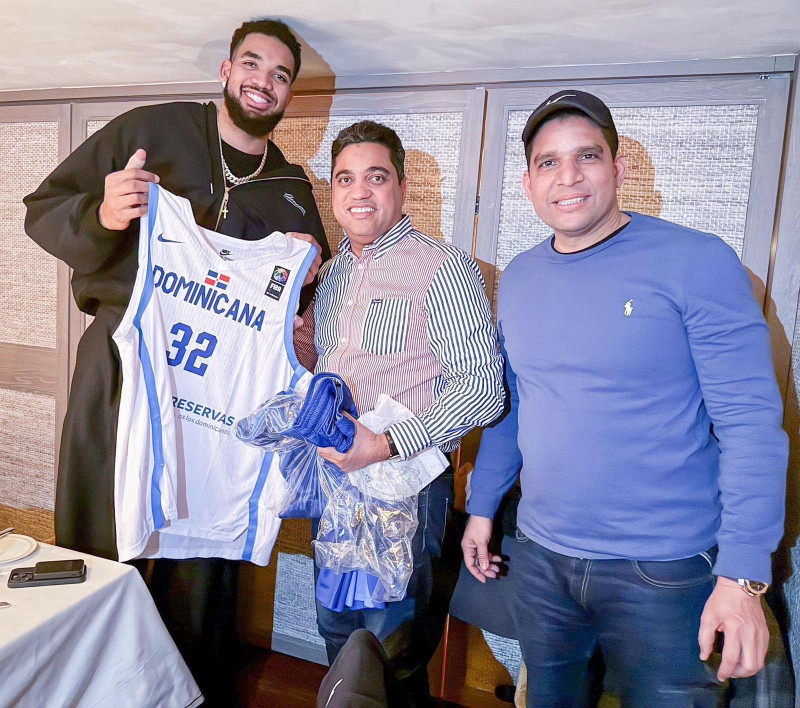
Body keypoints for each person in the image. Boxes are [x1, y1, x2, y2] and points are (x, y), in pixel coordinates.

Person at [24, 18, 329, 704]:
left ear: (289, 94)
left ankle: (186, 689)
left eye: (282, 74)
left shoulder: (288, 186)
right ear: (226, 72)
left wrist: (305, 278)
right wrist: (102, 213)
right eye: (253, 65)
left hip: (222, 394)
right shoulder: (150, 132)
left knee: (202, 549)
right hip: (123, 371)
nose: (265, 82)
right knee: (104, 531)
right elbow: (41, 209)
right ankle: (86, 686)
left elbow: (308, 304)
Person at [461, 90, 788, 706]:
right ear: (529, 183)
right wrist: (483, 509)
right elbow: (512, 406)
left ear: (620, 168)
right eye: (548, 162)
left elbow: (750, 425)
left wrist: (743, 577)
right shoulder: (522, 276)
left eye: (587, 156)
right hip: (543, 560)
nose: (569, 177)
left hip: (666, 573)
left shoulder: (697, 261)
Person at [295, 120, 504, 705]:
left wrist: (385, 444)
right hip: (337, 489)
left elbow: (484, 388)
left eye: (376, 177)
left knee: (394, 653)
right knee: (339, 640)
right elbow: (334, 368)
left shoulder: (443, 266)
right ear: (333, 193)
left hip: (405, 491)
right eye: (345, 179)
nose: (359, 191)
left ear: (402, 188)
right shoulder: (333, 273)